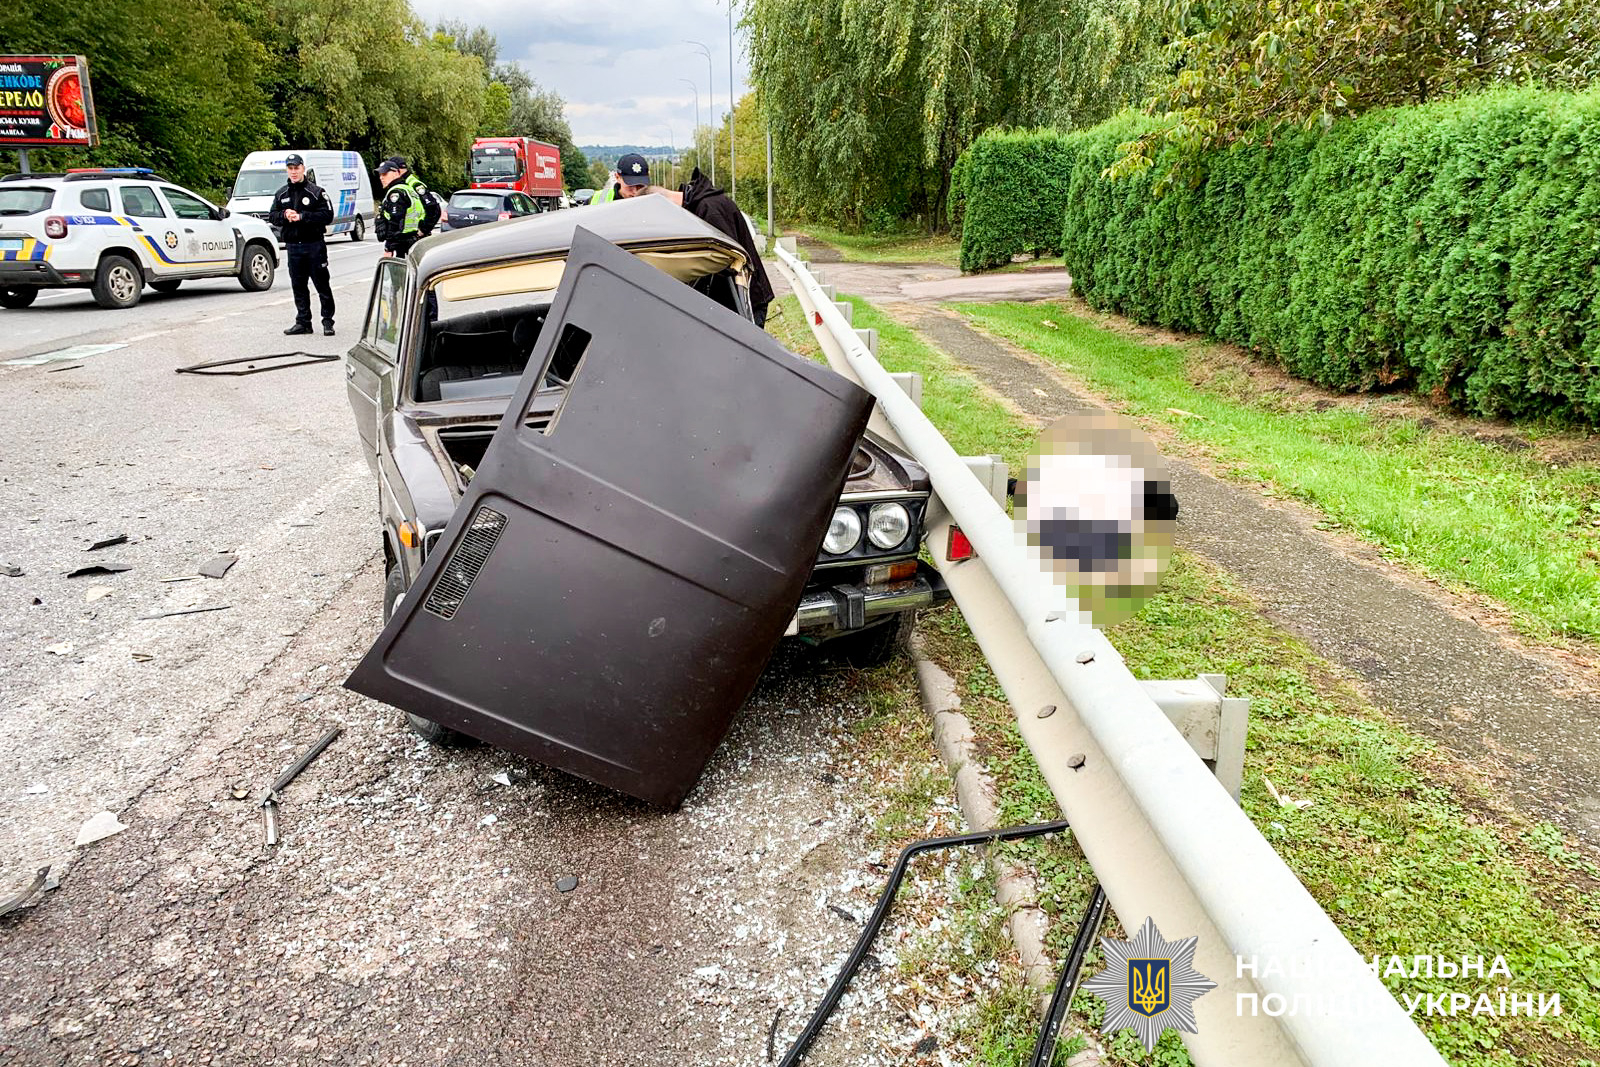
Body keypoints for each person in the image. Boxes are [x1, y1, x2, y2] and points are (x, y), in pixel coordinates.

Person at [674, 166, 775, 328]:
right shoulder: (700, 204)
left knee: (745, 345)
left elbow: (727, 259)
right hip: (734, 303)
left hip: (744, 303)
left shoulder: (709, 210)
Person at [269, 153, 336, 336]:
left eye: (296, 168)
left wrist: (302, 216)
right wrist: (285, 215)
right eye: (290, 168)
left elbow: (327, 215)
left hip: (314, 245)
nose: (294, 172)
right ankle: (303, 322)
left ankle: (327, 321)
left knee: (322, 285)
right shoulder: (281, 193)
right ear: (287, 170)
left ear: (303, 169)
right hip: (293, 247)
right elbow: (272, 216)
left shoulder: (316, 192)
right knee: (298, 286)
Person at [375, 160, 423, 258]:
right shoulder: (407, 189)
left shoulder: (396, 193)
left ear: (396, 173)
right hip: (411, 239)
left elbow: (395, 222)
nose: (381, 177)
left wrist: (388, 248)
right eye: (380, 174)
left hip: (402, 244)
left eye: (385, 174)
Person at [386, 156, 441, 237]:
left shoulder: (414, 184)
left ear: (397, 170)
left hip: (416, 235)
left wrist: (423, 230)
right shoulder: (400, 184)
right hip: (404, 236)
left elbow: (434, 209)